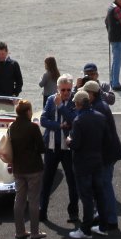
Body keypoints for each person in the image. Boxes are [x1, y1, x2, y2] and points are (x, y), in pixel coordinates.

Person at [67, 90, 108, 239]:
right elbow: (105, 139)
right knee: (99, 195)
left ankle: (85, 230)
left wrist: (69, 141)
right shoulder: (100, 117)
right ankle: (103, 226)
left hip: (83, 163)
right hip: (97, 160)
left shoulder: (78, 121)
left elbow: (76, 144)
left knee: (86, 197)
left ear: (78, 104)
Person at [84, 79, 121, 229]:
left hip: (106, 154)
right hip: (109, 153)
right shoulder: (100, 105)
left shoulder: (98, 107)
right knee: (103, 185)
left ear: (91, 94)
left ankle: (110, 220)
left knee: (105, 185)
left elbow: (98, 134)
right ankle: (104, 217)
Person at [40, 75, 78, 224]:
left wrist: (61, 107)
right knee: (47, 181)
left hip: (68, 148)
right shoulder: (51, 100)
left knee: (72, 181)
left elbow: (74, 120)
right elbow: (43, 120)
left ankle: (73, 213)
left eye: (69, 89)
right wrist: (59, 126)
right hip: (52, 147)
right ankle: (42, 211)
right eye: (63, 90)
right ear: (57, 89)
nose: (66, 93)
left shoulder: (75, 101)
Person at [7, 99, 46, 239]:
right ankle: (35, 232)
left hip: (18, 168)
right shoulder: (33, 127)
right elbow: (41, 148)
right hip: (33, 168)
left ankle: (20, 231)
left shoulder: (12, 126)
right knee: (34, 200)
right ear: (28, 111)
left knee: (19, 200)